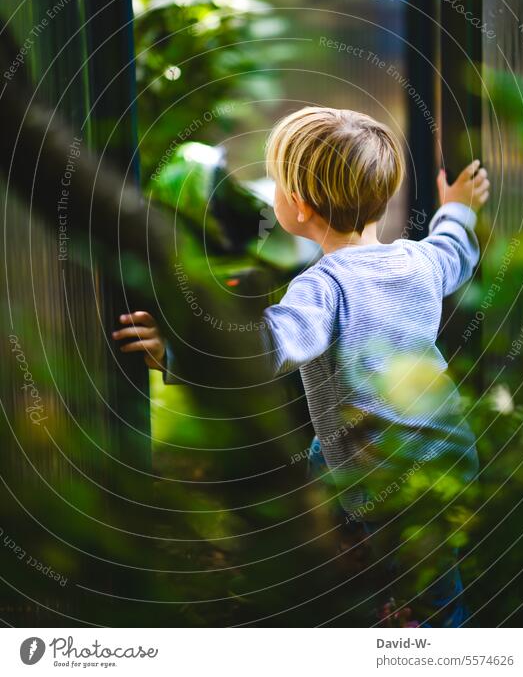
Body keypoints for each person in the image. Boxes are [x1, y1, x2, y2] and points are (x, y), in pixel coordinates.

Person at [112, 106, 489, 626]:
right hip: (445, 450)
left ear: (302, 206)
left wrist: (173, 354)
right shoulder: (419, 261)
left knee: (425, 599)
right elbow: (456, 250)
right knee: (404, 549)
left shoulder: (325, 285)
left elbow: (268, 350)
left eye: (279, 184)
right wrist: (459, 209)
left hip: (382, 470)